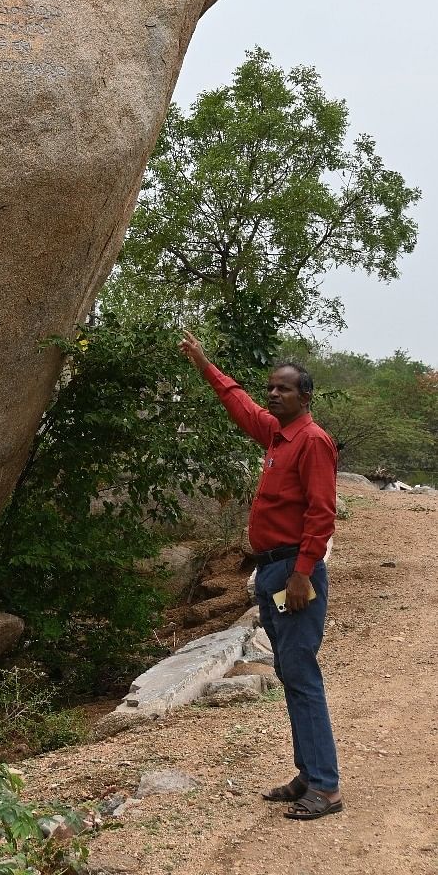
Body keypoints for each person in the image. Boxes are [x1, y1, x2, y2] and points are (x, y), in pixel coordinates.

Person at [179, 330, 343, 821]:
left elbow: (321, 514)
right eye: (270, 387)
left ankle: (328, 789)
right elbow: (240, 405)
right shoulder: (276, 433)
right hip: (272, 571)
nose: (272, 394)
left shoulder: (312, 442)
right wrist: (206, 366)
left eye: (283, 389)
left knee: (302, 675)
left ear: (305, 398)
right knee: (290, 673)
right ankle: (310, 774)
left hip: (294, 572)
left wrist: (302, 574)